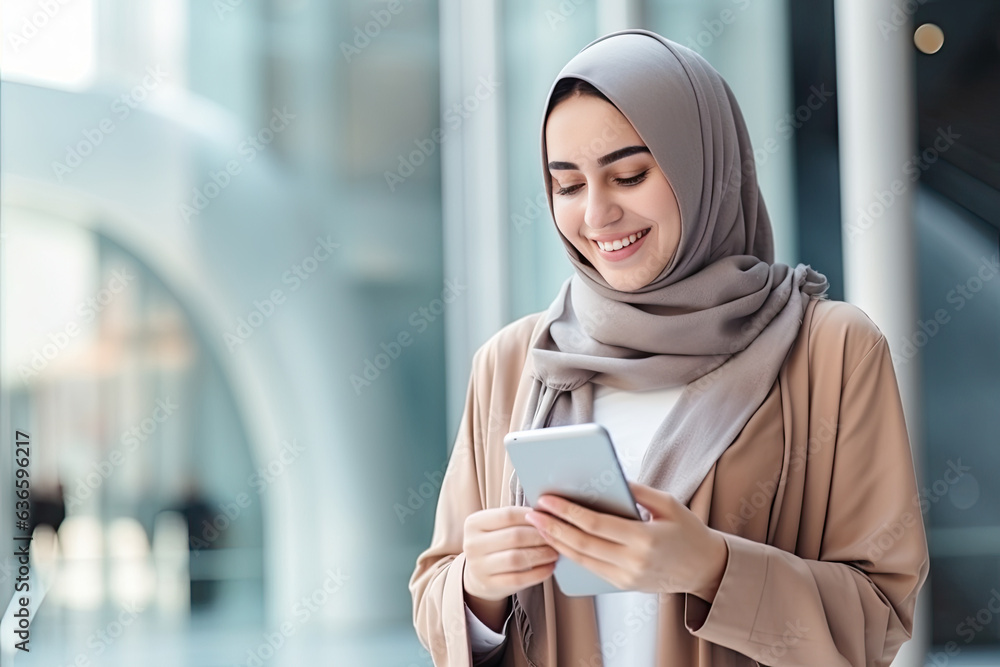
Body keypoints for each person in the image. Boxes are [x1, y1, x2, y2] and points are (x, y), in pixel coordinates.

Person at [409, 29, 929, 666]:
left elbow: (878, 618)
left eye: (628, 175)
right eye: (568, 186)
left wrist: (713, 568)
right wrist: (475, 588)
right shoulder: (516, 360)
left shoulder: (830, 351)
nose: (597, 216)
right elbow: (435, 593)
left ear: (702, 167)